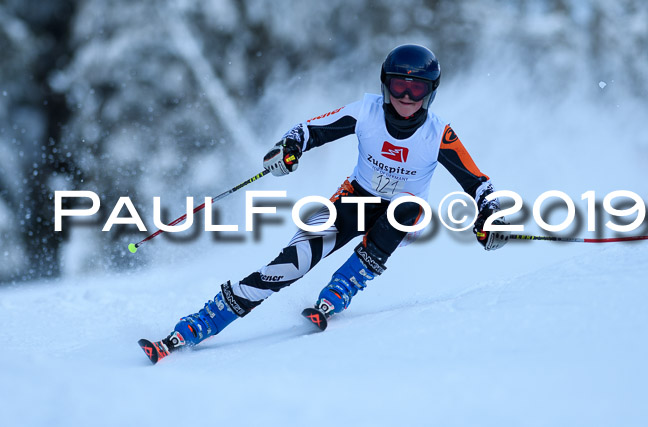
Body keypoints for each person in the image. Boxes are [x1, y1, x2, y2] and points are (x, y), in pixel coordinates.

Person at [139, 44, 509, 362]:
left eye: (418, 89)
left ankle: (343, 287)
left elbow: (479, 183)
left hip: (402, 214)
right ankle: (198, 324)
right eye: (399, 85)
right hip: (354, 199)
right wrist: (289, 149)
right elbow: (309, 129)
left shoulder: (437, 133)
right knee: (289, 266)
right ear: (385, 84)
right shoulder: (365, 111)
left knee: (406, 209)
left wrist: (489, 213)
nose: (407, 98)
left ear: (432, 92)